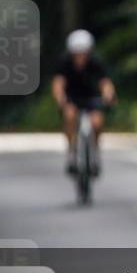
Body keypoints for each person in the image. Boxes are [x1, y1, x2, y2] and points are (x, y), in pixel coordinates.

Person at [52, 29, 116, 174]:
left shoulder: (95, 62)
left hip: (92, 97)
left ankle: (95, 154)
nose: (81, 56)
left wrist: (108, 95)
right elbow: (58, 83)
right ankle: (72, 153)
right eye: (77, 53)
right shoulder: (64, 62)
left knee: (97, 123)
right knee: (69, 116)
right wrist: (60, 98)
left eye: (84, 52)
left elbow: (105, 82)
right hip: (72, 98)